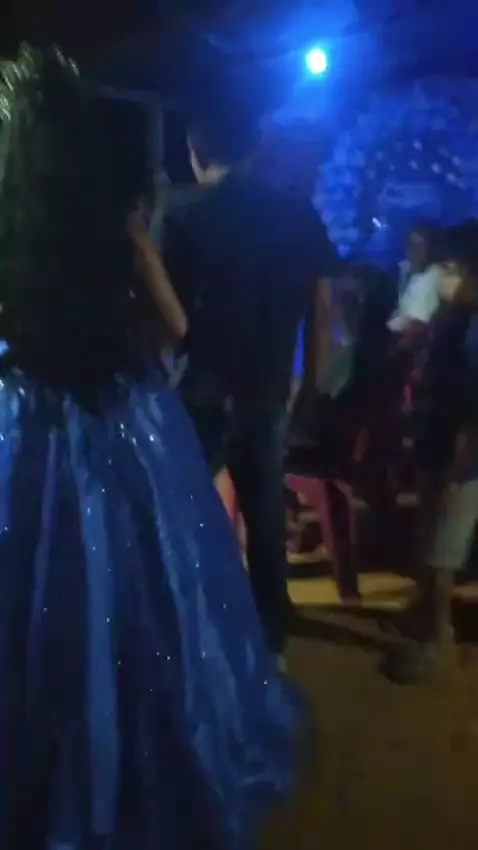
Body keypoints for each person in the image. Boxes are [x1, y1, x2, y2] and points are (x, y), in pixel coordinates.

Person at [0, 44, 303, 849]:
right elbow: (174, 328)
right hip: (118, 419)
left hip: (19, 430)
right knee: (136, 599)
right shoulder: (117, 228)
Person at [151, 113, 339, 663]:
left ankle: (193, 630)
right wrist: (313, 387)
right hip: (268, 387)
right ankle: (270, 636)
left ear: (194, 151)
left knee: (184, 511)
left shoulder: (179, 210)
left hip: (199, 385)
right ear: (255, 148)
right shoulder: (299, 215)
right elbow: (322, 309)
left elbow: (163, 314)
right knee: (264, 513)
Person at [385, 222, 478, 683]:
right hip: (444, 437)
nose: (443, 277)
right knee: (435, 536)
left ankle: (439, 641)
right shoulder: (458, 316)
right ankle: (426, 616)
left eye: (452, 268)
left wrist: (464, 451)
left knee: (445, 546)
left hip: (465, 452)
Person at [388, 220, 445, 337]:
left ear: (431, 247)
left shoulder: (435, 277)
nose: (412, 248)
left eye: (419, 244)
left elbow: (419, 324)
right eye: (410, 242)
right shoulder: (403, 269)